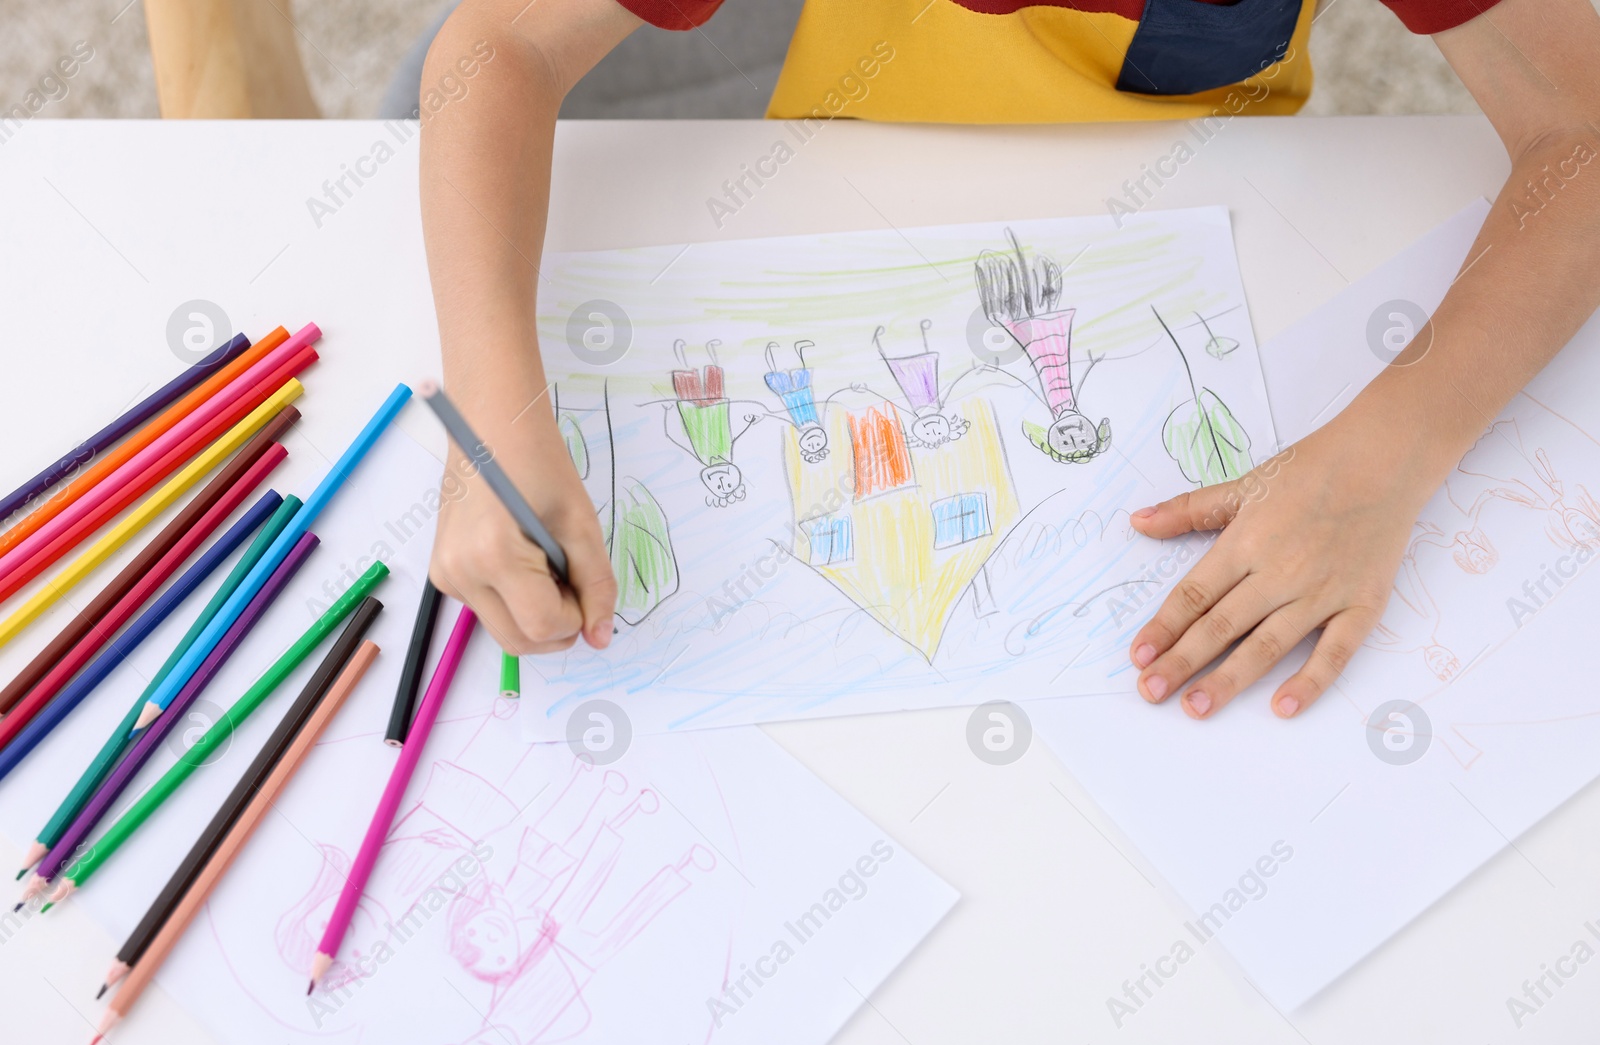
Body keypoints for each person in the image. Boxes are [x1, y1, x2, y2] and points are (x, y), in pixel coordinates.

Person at [418, 0, 1600, 722]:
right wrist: (494, 411)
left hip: (1215, 223)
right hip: (840, 196)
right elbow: (496, 46)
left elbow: (1583, 129)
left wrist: (1386, 453)